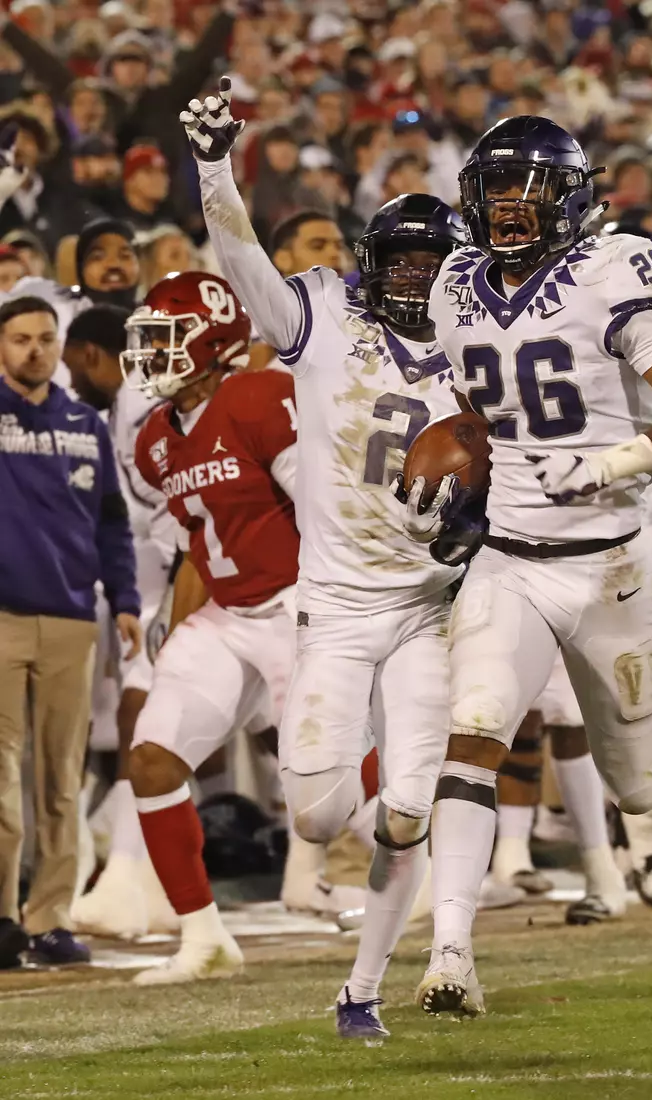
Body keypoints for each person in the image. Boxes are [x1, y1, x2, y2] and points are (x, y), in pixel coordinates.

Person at [407, 114, 652, 1016]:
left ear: (572, 196)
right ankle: (450, 955)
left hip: (609, 566)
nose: (510, 209)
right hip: (510, 558)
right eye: (495, 191)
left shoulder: (610, 270)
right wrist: (451, 458)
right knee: (473, 729)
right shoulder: (455, 284)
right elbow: (457, 392)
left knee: (638, 790)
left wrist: (620, 458)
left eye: (531, 191)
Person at [179, 79, 477, 1042]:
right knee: (314, 819)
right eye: (402, 258)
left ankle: (363, 988)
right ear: (372, 260)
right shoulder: (324, 318)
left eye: (434, 261)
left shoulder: (483, 344)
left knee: (406, 815)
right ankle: (393, 825)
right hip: (339, 603)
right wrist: (215, 169)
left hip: (435, 601)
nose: (414, 277)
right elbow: (242, 261)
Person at [122, 271, 299, 985]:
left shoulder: (259, 396)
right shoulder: (156, 443)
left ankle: (439, 897)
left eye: (167, 339)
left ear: (216, 340)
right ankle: (202, 935)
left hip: (299, 605)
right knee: (152, 760)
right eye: (149, 341)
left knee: (332, 798)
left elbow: (324, 510)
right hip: (228, 614)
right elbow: (200, 539)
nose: (153, 355)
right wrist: (179, 617)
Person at [0, 295, 141, 969]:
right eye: (21, 338)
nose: (34, 350)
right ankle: (3, 916)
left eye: (45, 339)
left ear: (60, 346)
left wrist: (126, 599)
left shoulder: (87, 424)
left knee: (59, 778)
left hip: (70, 618)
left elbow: (113, 522)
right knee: (0, 776)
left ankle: (49, 918)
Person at [62, 304, 180, 941]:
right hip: (155, 584)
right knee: (147, 721)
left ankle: (125, 855)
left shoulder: (137, 407)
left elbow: (172, 505)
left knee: (153, 724)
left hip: (183, 580)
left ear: (87, 354)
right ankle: (127, 859)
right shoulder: (128, 405)